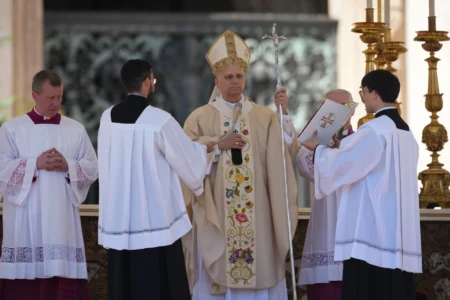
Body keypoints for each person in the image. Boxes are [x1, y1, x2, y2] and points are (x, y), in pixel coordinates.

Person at [181, 30, 298, 299]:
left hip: (258, 219)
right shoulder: (199, 118)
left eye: (239, 76)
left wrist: (285, 115)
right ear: (217, 80)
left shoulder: (264, 116)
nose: (235, 82)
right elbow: (183, 159)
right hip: (217, 215)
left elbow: (285, 154)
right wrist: (216, 145)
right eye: (229, 77)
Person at [97, 59, 214, 300]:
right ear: (147, 81)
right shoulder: (159, 120)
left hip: (120, 220)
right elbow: (188, 161)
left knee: (124, 288)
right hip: (154, 222)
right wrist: (212, 148)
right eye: (153, 81)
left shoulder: (107, 118)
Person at [301, 70, 422, 299]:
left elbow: (346, 164)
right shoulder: (407, 133)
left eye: (363, 92)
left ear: (374, 93)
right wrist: (339, 148)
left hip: (372, 232)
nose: (363, 98)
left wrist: (320, 149)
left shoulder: (374, 130)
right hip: (397, 230)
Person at [0, 70, 98, 299]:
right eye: (50, 98)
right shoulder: (12, 129)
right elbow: (2, 169)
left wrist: (68, 165)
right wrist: (35, 164)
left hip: (60, 219)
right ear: (34, 96)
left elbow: (92, 166)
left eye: (59, 97)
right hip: (26, 218)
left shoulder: (75, 129)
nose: (56, 103)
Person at [295, 89, 356, 300]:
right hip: (325, 227)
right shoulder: (312, 144)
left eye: (343, 106)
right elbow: (305, 167)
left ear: (352, 111)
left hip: (354, 228)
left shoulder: (361, 141)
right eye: (331, 106)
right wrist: (321, 148)